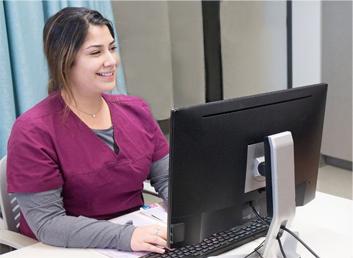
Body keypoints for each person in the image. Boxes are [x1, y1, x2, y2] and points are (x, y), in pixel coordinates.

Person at [6, 7, 169, 254]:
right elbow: (47, 223)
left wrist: (189, 214)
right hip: (67, 248)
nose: (111, 61)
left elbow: (168, 179)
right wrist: (125, 236)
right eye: (96, 52)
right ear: (64, 60)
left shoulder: (136, 110)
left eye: (112, 48)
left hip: (138, 239)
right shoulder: (32, 131)